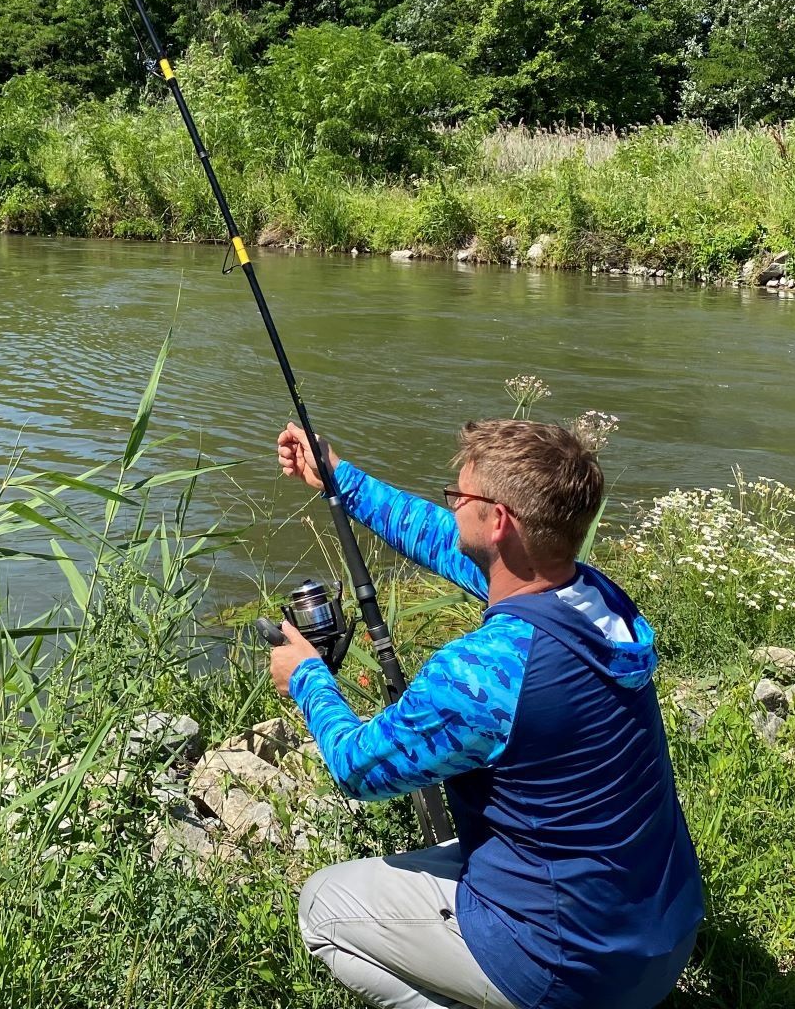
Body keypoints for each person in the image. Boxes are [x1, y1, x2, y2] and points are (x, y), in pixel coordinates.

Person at [268, 417, 703, 1009]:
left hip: (571, 970)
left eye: (460, 498)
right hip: (659, 934)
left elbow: (356, 766)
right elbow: (438, 538)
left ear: (498, 522)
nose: (451, 510)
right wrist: (338, 478)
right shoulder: (599, 601)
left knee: (323, 906)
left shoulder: (484, 675)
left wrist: (307, 678)